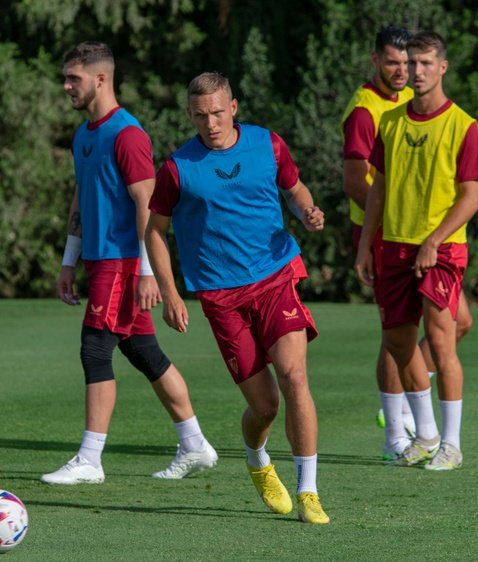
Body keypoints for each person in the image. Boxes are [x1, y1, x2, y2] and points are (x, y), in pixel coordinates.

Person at [145, 72, 330, 524]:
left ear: (234, 107)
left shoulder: (268, 145)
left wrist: (306, 210)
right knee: (265, 404)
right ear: (190, 114)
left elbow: (294, 188)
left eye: (218, 112)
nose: (211, 123)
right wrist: (170, 293)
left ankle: (309, 492)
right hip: (221, 296)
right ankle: (256, 457)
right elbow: (154, 231)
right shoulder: (177, 168)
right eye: (201, 115)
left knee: (294, 377)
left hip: (275, 276)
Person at [40, 41, 217, 486]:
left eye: (73, 78)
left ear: (100, 79)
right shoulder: (84, 134)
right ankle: (195, 444)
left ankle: (90, 459)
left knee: (95, 349)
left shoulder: (128, 134)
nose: (66, 86)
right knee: (143, 352)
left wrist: (146, 272)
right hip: (99, 261)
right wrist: (69, 260)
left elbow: (149, 206)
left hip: (123, 262)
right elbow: (81, 195)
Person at [341, 25, 474, 462]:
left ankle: (452, 445)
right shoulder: (389, 122)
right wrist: (365, 247)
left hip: (441, 248)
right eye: (409, 62)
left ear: (442, 68)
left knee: (442, 338)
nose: (415, 71)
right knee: (398, 343)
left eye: (423, 63)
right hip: (392, 246)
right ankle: (427, 436)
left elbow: (471, 198)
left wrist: (434, 240)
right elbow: (375, 187)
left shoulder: (464, 126)